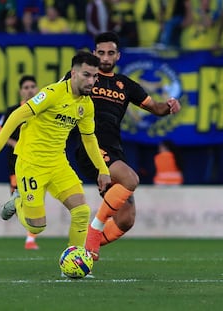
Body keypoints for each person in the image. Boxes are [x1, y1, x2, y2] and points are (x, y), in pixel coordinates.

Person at [0, 51, 111, 254]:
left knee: (82, 212)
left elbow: (89, 138)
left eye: (95, 77)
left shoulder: (86, 104)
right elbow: (17, 115)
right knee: (36, 227)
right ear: (73, 74)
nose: (91, 81)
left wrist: (102, 169)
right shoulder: (52, 93)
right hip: (31, 163)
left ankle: (73, 259)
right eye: (87, 75)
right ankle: (18, 200)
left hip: (58, 164)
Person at [74, 31, 181, 261]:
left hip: (114, 151)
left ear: (118, 56)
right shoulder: (84, 78)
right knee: (131, 179)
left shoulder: (126, 85)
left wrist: (170, 105)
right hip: (90, 146)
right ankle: (93, 235)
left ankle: (83, 250)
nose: (105, 57)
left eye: (110, 53)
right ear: (94, 53)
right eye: (100, 52)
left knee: (125, 220)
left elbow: (156, 108)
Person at [0, 75, 40, 250]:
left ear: (37, 89)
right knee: (24, 199)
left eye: (32, 86)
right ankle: (16, 203)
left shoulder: (42, 109)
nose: (29, 90)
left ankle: (30, 240)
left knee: (37, 198)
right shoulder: (12, 111)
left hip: (39, 161)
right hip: (17, 162)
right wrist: (17, 145)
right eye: (26, 87)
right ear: (21, 91)